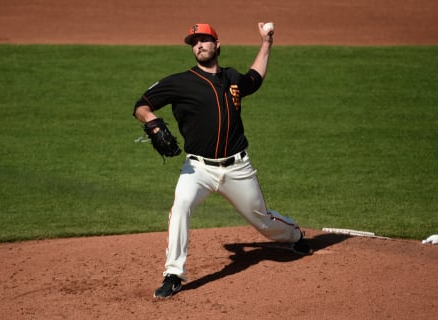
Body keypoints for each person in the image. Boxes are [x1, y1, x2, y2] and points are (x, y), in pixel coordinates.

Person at [133, 22, 312, 299]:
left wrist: (266, 42)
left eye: (204, 40)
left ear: (217, 45)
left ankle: (296, 236)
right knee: (180, 206)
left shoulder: (232, 78)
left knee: (263, 222)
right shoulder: (179, 82)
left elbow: (256, 78)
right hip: (197, 169)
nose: (199, 45)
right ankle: (173, 274)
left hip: (238, 168)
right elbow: (141, 105)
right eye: (194, 42)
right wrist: (154, 123)